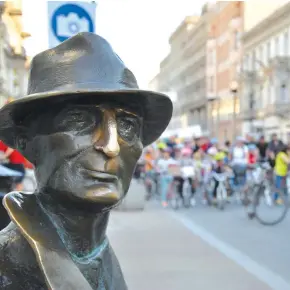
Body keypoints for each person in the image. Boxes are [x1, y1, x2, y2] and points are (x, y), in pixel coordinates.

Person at [0, 33, 173, 289]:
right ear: (27, 142)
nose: (111, 146)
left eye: (127, 125)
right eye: (79, 121)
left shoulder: (98, 253)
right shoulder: (8, 265)